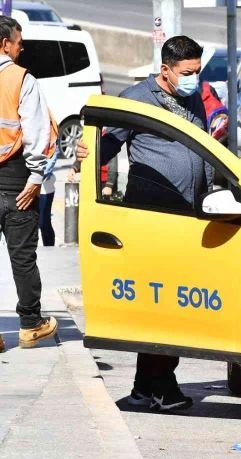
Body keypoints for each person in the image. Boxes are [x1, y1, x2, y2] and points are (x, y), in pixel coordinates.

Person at [76, 35, 212, 410]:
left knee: (174, 310)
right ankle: (162, 387)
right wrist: (86, 152)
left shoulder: (192, 99)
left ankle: (145, 388)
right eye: (187, 72)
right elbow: (106, 144)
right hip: (154, 221)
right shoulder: (137, 99)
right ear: (165, 70)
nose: (194, 79)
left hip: (190, 220)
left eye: (197, 71)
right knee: (164, 309)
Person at [0, 15, 59, 354]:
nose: (21, 49)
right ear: (5, 43)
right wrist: (37, 177)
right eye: (19, 42)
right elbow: (36, 132)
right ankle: (31, 325)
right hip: (16, 181)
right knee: (22, 257)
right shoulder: (21, 79)